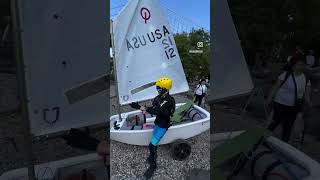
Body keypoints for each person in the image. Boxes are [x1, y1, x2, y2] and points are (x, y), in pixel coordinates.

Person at [129, 77, 175, 179]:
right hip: (158, 122)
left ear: (165, 88)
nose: (157, 89)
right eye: (157, 87)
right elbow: (152, 108)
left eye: (159, 87)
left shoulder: (170, 100)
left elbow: (156, 110)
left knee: (152, 144)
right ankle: (152, 156)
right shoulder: (158, 97)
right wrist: (140, 107)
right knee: (153, 143)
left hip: (163, 125)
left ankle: (153, 164)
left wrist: (139, 107)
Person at [266, 54, 312, 142]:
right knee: (274, 124)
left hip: (293, 107)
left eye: (303, 64)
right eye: (299, 64)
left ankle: (283, 144)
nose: (301, 67)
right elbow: (275, 87)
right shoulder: (286, 74)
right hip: (280, 104)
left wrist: (309, 103)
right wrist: (268, 99)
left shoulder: (306, 78)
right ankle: (262, 139)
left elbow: (306, 95)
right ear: (293, 65)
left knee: (288, 127)